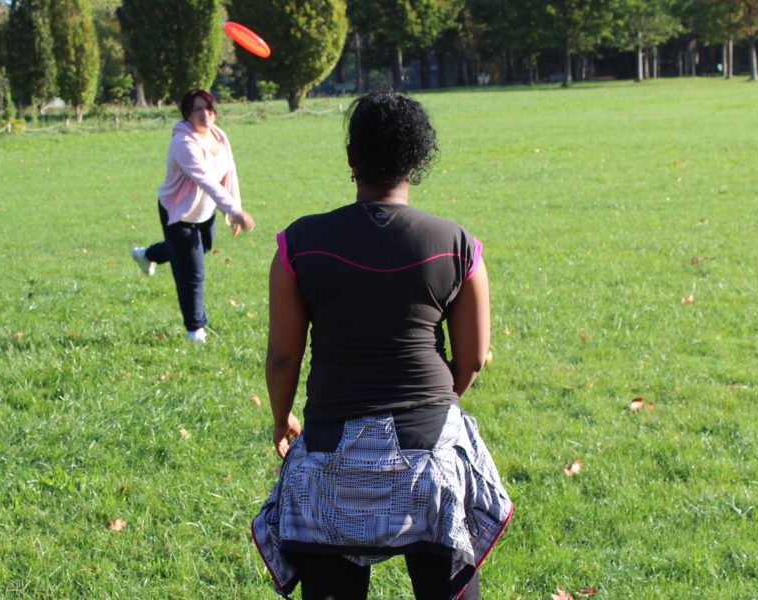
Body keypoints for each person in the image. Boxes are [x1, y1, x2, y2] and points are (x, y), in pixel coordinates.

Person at [251, 92, 513, 600]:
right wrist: (437, 402)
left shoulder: (300, 243)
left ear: (351, 158)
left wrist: (282, 419)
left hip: (330, 454)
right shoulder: (457, 244)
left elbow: (284, 355)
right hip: (429, 452)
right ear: (418, 160)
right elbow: (475, 356)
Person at [131, 89, 255, 344]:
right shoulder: (183, 143)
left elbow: (228, 174)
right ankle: (195, 329)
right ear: (187, 113)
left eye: (208, 108)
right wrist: (234, 210)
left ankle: (147, 255)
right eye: (197, 109)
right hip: (178, 213)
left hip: (205, 212)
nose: (204, 114)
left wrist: (233, 210)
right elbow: (206, 179)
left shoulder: (219, 136)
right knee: (192, 272)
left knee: (199, 249)